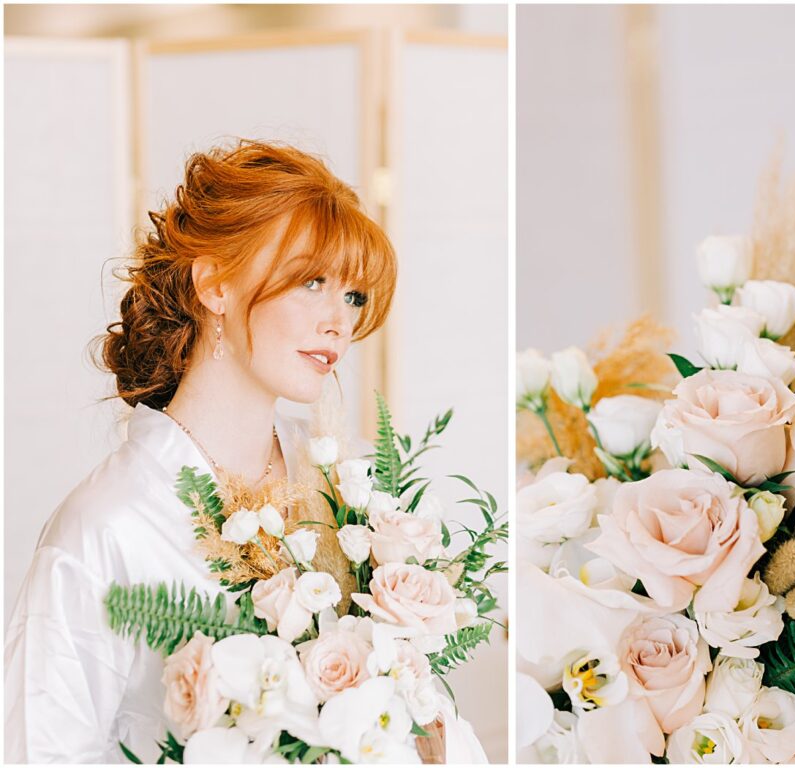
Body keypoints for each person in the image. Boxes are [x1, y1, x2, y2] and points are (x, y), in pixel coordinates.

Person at [3, 139, 486, 762]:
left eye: (353, 296)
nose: (339, 321)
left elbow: (420, 715)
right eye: (313, 282)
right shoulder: (105, 529)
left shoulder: (353, 486)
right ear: (216, 285)